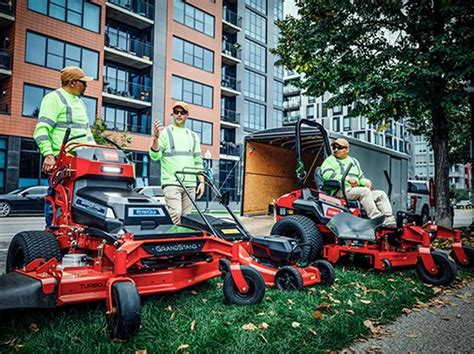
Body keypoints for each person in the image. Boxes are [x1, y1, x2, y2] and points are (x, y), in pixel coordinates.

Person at [33, 66, 96, 226]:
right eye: (83, 82)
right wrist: (48, 154)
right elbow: (42, 129)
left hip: (83, 160)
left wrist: (96, 153)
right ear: (72, 82)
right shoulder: (53, 99)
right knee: (58, 198)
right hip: (62, 161)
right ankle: (52, 232)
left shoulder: (81, 104)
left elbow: (87, 134)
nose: (86, 86)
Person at [320, 138, 397, 227]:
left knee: (381, 194)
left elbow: (360, 177)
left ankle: (388, 220)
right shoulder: (330, 160)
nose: (336, 150)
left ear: (347, 149)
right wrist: (347, 179)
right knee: (365, 191)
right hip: (341, 191)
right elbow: (327, 174)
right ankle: (376, 218)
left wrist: (366, 182)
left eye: (339, 147)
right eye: (334, 147)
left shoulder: (354, 161)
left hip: (355, 191)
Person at [149, 101, 205, 224]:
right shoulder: (164, 133)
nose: (179, 114)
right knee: (175, 213)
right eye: (176, 112)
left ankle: (185, 241)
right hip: (172, 182)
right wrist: (155, 138)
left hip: (190, 184)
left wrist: (201, 182)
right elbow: (154, 156)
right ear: (173, 114)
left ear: (187, 115)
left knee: (187, 218)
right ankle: (171, 241)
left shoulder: (193, 136)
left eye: (182, 112)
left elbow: (198, 161)